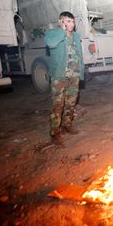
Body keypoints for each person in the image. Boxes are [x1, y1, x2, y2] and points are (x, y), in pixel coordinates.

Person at [44, 11, 84, 146]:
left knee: (71, 103)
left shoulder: (76, 36)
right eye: (67, 21)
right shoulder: (52, 33)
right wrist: (62, 30)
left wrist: (80, 73)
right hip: (59, 77)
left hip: (74, 76)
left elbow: (80, 56)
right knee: (58, 105)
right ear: (61, 22)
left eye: (72, 21)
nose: (71, 24)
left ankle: (67, 125)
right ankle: (55, 133)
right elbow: (51, 44)